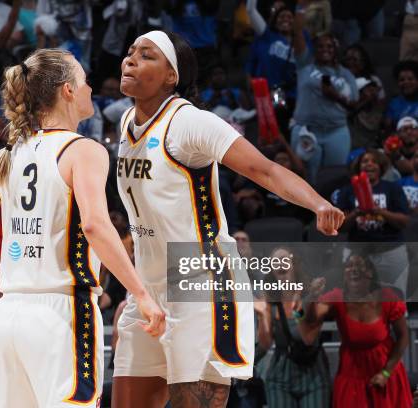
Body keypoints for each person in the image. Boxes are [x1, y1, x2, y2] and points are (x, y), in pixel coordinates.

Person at [112, 30, 344, 407]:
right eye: (130, 52)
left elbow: (265, 171)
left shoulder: (191, 122)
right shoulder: (126, 122)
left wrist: (317, 203)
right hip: (148, 286)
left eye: (147, 55)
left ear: (172, 75)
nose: (131, 60)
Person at [0, 48, 165, 407]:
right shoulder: (84, 150)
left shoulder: (5, 156)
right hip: (62, 315)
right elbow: (96, 226)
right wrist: (142, 295)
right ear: (67, 90)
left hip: (8, 318)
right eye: (84, 83)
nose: (90, 91)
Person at [300, 253, 413, 408]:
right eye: (349, 266)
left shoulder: (387, 297)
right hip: (351, 376)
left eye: (360, 265)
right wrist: (313, 296)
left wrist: (386, 373)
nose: (354, 269)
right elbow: (311, 319)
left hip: (385, 372)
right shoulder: (336, 296)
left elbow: (403, 337)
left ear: (370, 273)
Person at [291, 0, 358, 183]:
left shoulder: (346, 74)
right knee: (306, 178)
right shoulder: (305, 64)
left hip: (336, 131)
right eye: (320, 46)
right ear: (314, 49)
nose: (325, 50)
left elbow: (354, 105)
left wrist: (334, 95)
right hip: (307, 128)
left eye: (329, 47)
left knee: (334, 177)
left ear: (336, 50)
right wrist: (301, 7)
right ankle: (307, 212)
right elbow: (296, 32)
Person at [257, 247, 330, 407]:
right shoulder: (270, 302)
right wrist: (263, 315)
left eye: (284, 259)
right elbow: (266, 343)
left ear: (293, 266)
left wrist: (299, 306)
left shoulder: (312, 296)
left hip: (312, 371)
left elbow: (308, 338)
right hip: (281, 371)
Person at [336, 149, 411, 295]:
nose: (369, 164)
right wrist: (357, 213)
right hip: (358, 251)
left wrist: (380, 212)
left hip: (390, 250)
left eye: (374, 161)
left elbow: (404, 221)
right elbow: (339, 226)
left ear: (381, 167)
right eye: (365, 161)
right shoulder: (347, 191)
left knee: (394, 298)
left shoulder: (393, 188)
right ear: (358, 166)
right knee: (356, 299)